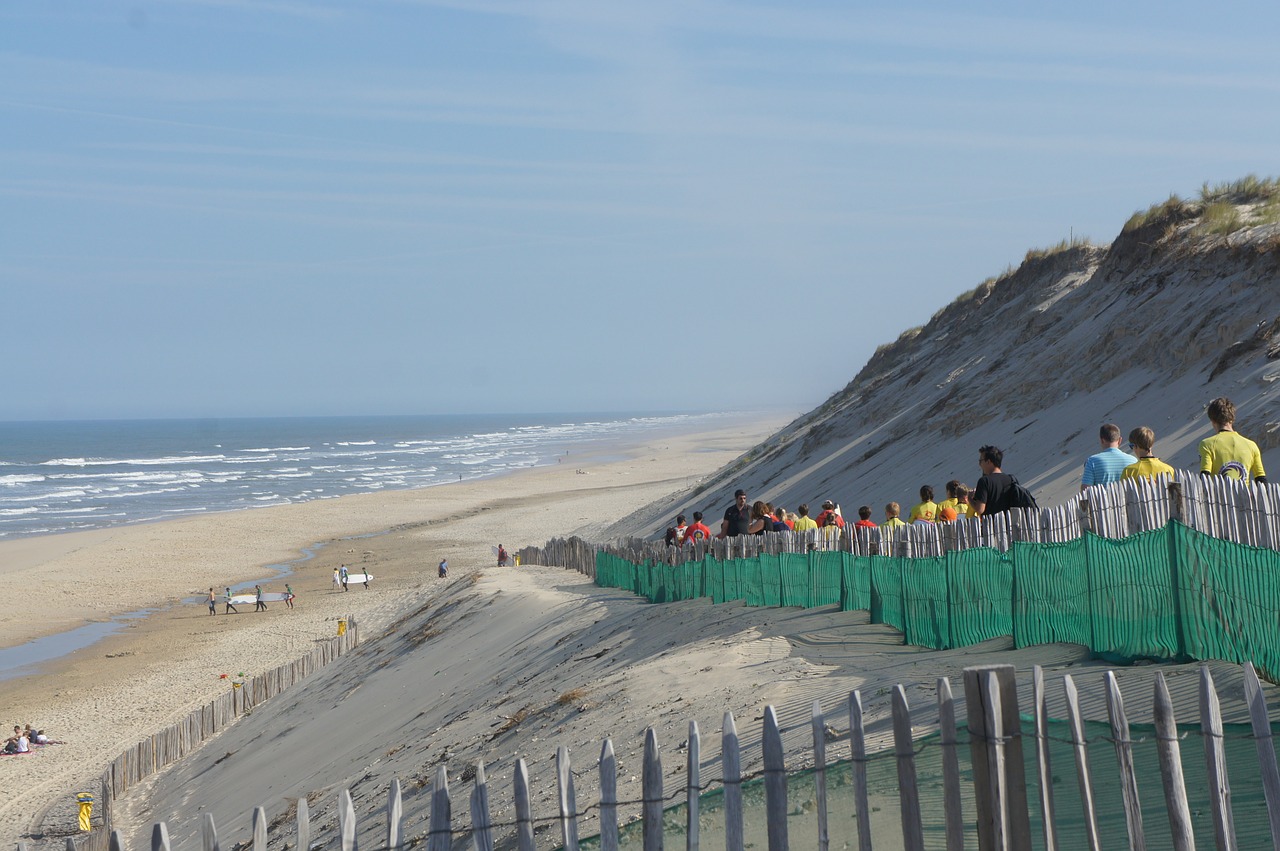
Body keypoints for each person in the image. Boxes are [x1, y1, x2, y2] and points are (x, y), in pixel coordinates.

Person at [1199, 397, 1267, 482]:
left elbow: (1205, 476)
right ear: (1232, 419)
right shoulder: (1252, 445)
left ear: (1212, 421)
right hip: (1244, 494)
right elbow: (1261, 478)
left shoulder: (1207, 444)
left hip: (1218, 494)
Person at [1081, 423, 1138, 490]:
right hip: (1128, 500)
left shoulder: (1092, 461)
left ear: (1102, 440)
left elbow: (1085, 490)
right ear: (1120, 440)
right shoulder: (1133, 461)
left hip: (1102, 500)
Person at [973, 445, 1014, 517]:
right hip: (1008, 522)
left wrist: (970, 499)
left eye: (981, 461)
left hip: (991, 524)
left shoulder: (984, 481)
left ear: (988, 462)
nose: (979, 464)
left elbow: (980, 509)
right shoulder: (1010, 479)